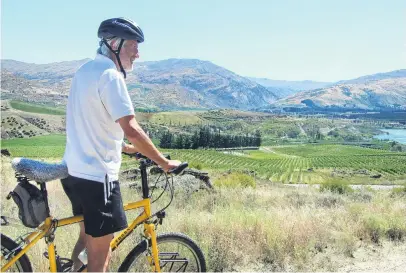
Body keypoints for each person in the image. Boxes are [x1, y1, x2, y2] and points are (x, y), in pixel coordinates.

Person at [61, 17, 181, 272]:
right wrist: (165, 162)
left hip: (74, 173)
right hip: (98, 179)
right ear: (114, 44)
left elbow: (92, 123)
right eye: (133, 46)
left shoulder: (84, 72)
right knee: (100, 258)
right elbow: (132, 129)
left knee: (87, 240)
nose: (138, 53)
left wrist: (124, 149)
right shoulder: (110, 77)